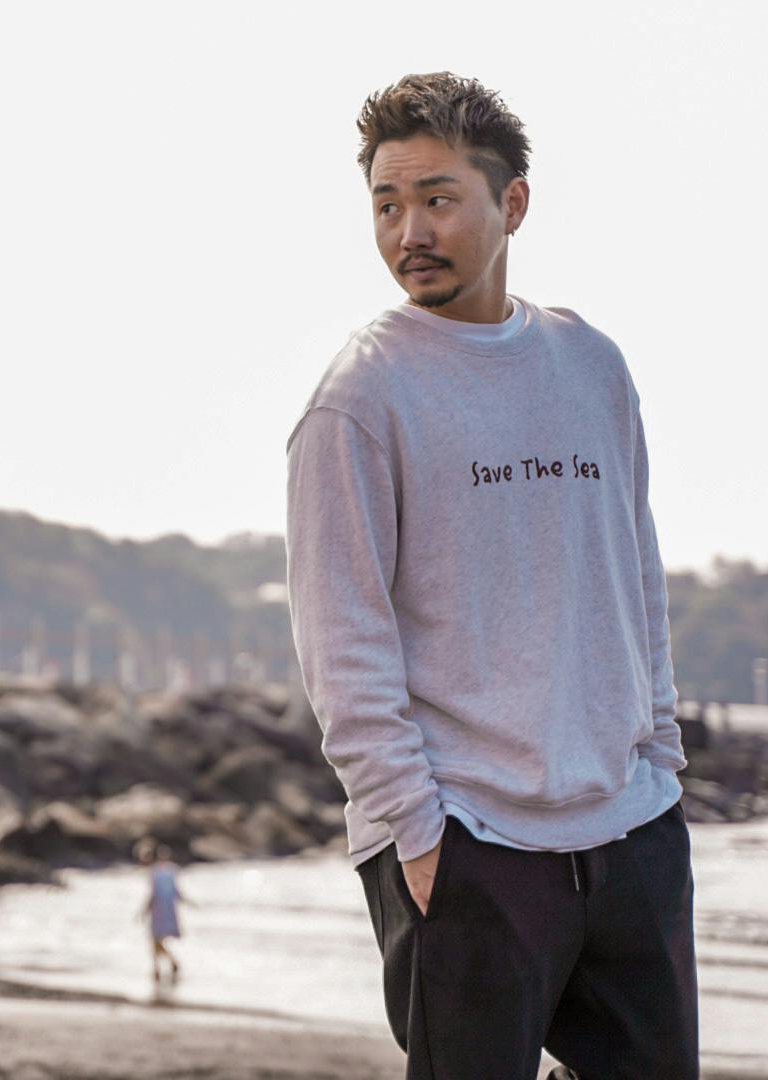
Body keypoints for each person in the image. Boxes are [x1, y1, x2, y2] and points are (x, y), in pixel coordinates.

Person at [284, 72, 697, 1079]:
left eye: (437, 199)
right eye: (386, 205)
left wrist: (659, 761)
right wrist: (418, 833)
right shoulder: (360, 399)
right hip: (465, 841)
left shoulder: (590, 365)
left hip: (628, 829)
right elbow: (341, 643)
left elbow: (633, 573)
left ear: (511, 203)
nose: (408, 232)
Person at [136, 840, 187, 985]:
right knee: (157, 940)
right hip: (168, 910)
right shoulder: (171, 870)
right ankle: (167, 964)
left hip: (159, 910)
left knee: (154, 940)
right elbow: (176, 892)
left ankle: (161, 967)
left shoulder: (155, 872)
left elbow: (153, 894)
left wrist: (143, 911)